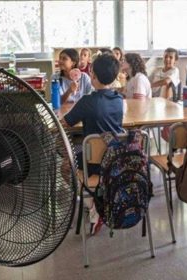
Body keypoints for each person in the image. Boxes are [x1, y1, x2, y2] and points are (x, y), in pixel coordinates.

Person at [62, 54, 123, 234]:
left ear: (92, 75)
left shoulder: (88, 101)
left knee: (65, 167)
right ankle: (98, 200)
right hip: (114, 159)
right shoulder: (119, 100)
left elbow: (66, 123)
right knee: (82, 149)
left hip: (93, 161)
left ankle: (93, 204)